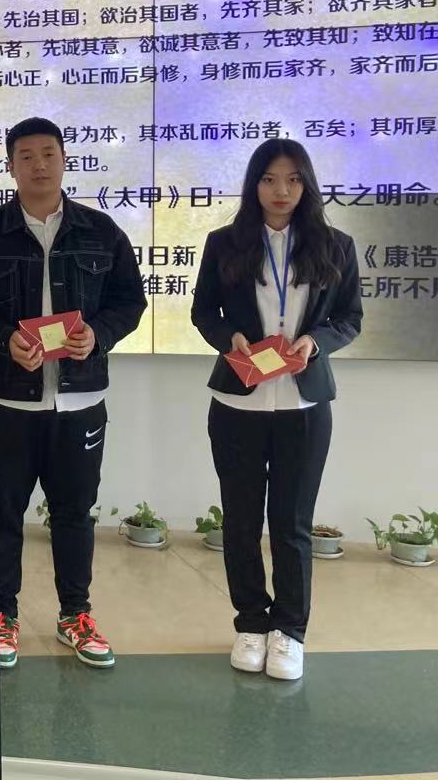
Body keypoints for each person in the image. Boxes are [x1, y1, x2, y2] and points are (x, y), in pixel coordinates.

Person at [0, 117, 146, 671]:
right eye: (26, 155)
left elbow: (130, 302)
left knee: (74, 512)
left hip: (79, 402)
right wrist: (2, 338)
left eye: (48, 153)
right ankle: (2, 614)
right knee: (4, 513)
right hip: (8, 402)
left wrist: (97, 335)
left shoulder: (101, 231)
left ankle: (74, 614)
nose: (39, 164)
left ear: (64, 159)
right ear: (10, 165)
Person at [191, 138, 362, 681]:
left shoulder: (336, 246)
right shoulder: (225, 243)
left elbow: (350, 318)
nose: (281, 190)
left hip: (303, 403)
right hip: (237, 401)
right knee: (241, 522)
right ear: (254, 185)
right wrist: (230, 338)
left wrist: (316, 341)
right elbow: (203, 311)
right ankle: (251, 622)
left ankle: (289, 630)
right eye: (269, 179)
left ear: (306, 183)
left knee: (291, 524)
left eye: (292, 179)